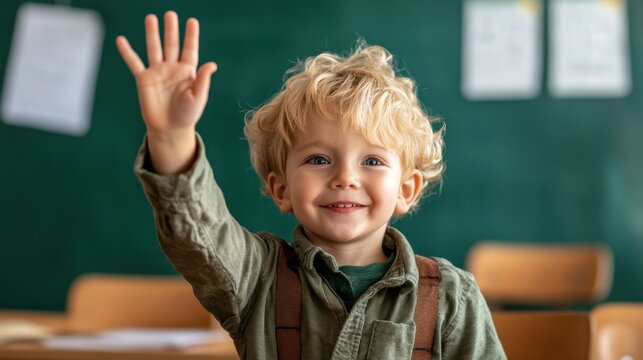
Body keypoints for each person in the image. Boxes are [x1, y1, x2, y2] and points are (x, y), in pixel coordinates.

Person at [116, 10, 505, 359]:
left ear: (406, 189)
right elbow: (198, 235)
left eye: (372, 161)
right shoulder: (256, 279)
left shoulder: (451, 298)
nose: (345, 177)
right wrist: (170, 136)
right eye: (318, 160)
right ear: (281, 188)